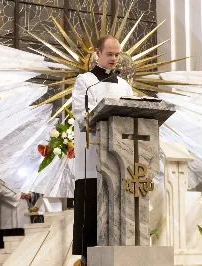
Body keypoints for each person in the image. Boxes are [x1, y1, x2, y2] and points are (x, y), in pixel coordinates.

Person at [71, 35, 133, 265]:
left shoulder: (124, 85)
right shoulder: (85, 81)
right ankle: (88, 258)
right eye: (110, 54)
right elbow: (81, 114)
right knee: (91, 207)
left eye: (117, 54)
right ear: (97, 52)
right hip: (93, 156)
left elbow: (132, 113)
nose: (114, 59)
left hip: (119, 157)